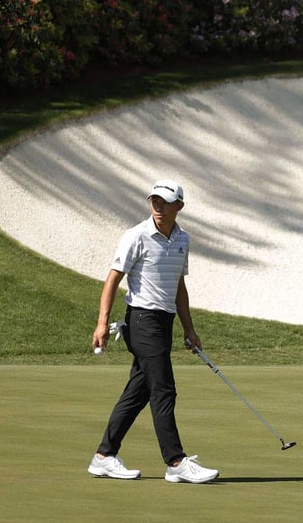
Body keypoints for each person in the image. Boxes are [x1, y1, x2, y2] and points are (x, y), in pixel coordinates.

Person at [87, 179, 219, 484]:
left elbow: (179, 287)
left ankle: (104, 456)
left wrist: (189, 329)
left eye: (165, 202)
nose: (158, 207)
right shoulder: (136, 236)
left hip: (164, 324)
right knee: (164, 389)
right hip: (141, 322)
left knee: (139, 391)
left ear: (179, 207)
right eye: (154, 201)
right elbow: (112, 280)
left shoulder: (183, 239)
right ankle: (175, 462)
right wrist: (102, 322)